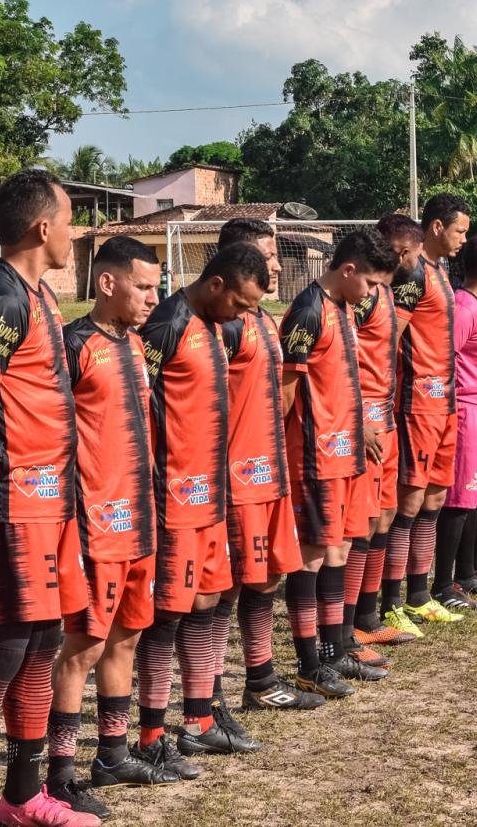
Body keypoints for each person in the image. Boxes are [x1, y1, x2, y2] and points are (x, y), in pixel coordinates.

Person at [0, 169, 96, 827]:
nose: (75, 233)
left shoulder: (39, 297)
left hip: (49, 505)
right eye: (70, 220)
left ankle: (22, 797)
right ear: (42, 227)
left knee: (41, 645)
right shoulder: (0, 299)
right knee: (1, 653)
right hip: (7, 505)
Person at [48, 237, 177, 804]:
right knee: (83, 648)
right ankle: (59, 772)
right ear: (107, 283)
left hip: (141, 518)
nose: (154, 297)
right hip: (96, 522)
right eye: (143, 287)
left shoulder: (137, 346)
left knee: (127, 638)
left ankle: (113, 754)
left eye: (156, 287)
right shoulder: (73, 344)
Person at [131, 243, 267, 780]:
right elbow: (136, 400)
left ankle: (200, 716)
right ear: (215, 286)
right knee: (168, 611)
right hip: (172, 494)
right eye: (241, 302)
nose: (245, 315)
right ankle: (150, 735)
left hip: (209, 492)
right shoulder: (167, 325)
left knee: (208, 599)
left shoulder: (215, 325)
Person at [280, 230, 397, 696]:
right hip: (314, 457)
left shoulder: (342, 307)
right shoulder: (308, 310)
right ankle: (309, 662)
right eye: (369, 282)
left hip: (346, 452)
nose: (373, 293)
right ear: (348, 270)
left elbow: (339, 380)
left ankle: (335, 650)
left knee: (338, 552)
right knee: (310, 558)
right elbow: (288, 389)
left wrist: (358, 425)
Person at [211, 220, 316, 716]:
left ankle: (260, 676)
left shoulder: (260, 319)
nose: (275, 264)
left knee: (266, 576)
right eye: (268, 254)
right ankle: (208, 696)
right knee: (227, 585)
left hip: (267, 472)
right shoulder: (224, 324)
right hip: (235, 477)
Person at [384, 195, 470, 629]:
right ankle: (392, 601)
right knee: (410, 499)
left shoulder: (442, 272)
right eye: (459, 231)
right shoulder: (414, 273)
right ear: (437, 227)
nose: (464, 239)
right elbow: (389, 336)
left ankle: (420, 594)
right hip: (418, 401)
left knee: (434, 497)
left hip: (446, 401)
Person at [356, 215, 426, 643]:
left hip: (385, 415)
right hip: (359, 421)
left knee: (384, 516)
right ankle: (347, 627)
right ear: (401, 252)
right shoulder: (358, 297)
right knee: (359, 525)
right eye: (412, 257)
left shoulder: (388, 290)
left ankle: (367, 618)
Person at [430, 235, 477, 611]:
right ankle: (444, 583)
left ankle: (468, 570)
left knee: (475, 496)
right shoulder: (463, 308)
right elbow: (444, 360)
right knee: (460, 499)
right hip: (466, 412)